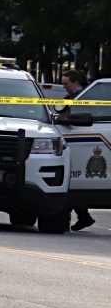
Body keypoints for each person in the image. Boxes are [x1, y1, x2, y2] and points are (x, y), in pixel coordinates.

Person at [63, 69, 96, 231]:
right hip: (79, 141)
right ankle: (83, 216)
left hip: (84, 142)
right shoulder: (75, 97)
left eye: (66, 84)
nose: (64, 87)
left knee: (72, 181)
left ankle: (79, 216)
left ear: (76, 82)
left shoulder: (83, 98)